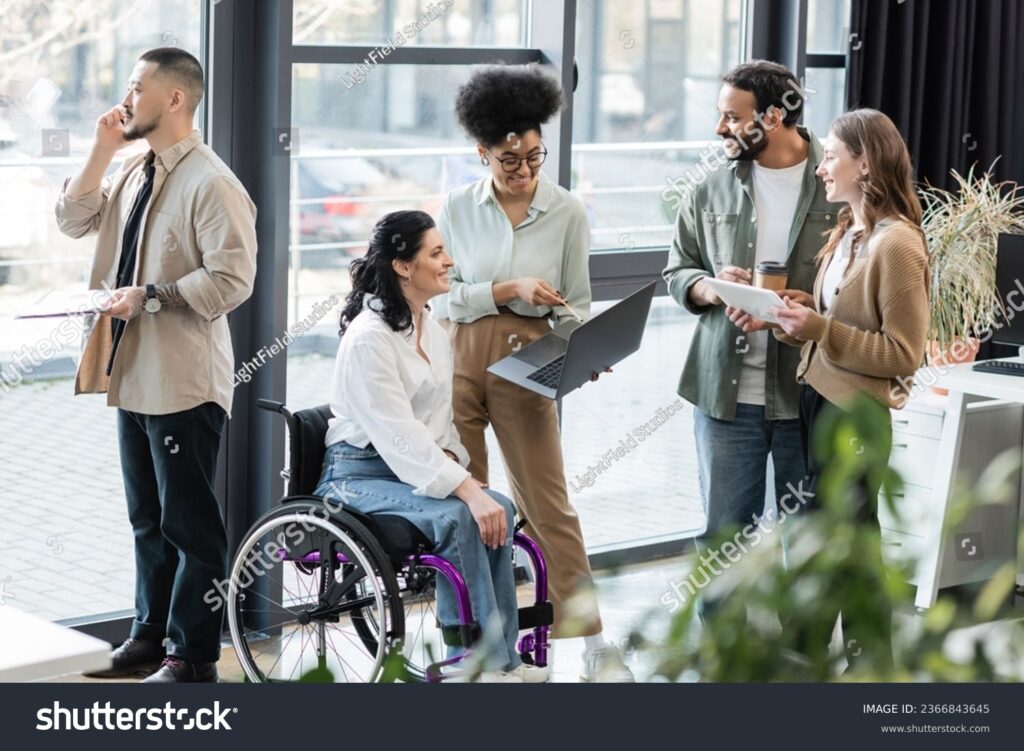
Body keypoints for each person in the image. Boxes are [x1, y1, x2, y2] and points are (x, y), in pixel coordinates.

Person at [55, 48, 258, 682]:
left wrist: (151, 297)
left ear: (174, 99)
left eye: (136, 86)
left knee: (192, 528)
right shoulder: (136, 170)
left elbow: (232, 281)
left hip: (183, 382)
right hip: (133, 373)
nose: (124, 97)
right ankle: (150, 635)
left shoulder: (212, 181)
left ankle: (194, 658)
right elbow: (72, 219)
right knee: (149, 520)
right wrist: (101, 151)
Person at [431, 64, 633, 682]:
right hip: (460, 355)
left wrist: (580, 355)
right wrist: (506, 288)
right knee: (468, 502)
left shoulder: (567, 211)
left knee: (548, 504)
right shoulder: (458, 207)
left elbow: (577, 302)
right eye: (508, 159)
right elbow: (444, 296)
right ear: (482, 151)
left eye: (533, 156)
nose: (523, 170)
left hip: (532, 358)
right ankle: (478, 645)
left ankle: (595, 642)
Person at [732, 108, 929, 669]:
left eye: (832, 157)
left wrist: (821, 328)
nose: (822, 167)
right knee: (850, 547)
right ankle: (866, 666)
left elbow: (902, 354)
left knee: (832, 544)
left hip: (856, 421)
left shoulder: (898, 245)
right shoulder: (851, 233)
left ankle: (806, 656)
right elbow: (841, 325)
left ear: (864, 162)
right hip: (821, 404)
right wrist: (798, 311)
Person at [314, 210, 548, 683]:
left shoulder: (431, 329)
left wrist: (461, 472)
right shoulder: (369, 339)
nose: (449, 261)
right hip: (356, 476)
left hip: (404, 468)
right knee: (461, 513)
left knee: (497, 506)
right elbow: (399, 435)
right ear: (403, 266)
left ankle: (504, 659)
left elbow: (437, 425)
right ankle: (471, 659)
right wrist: (463, 489)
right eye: (436, 253)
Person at [662, 60, 837, 572]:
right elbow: (678, 269)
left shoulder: (838, 183)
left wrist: (807, 308)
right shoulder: (708, 186)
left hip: (807, 394)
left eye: (731, 117)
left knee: (807, 542)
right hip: (726, 398)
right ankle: (718, 651)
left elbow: (859, 284)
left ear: (773, 118)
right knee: (721, 541)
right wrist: (711, 290)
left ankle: (801, 652)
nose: (720, 128)